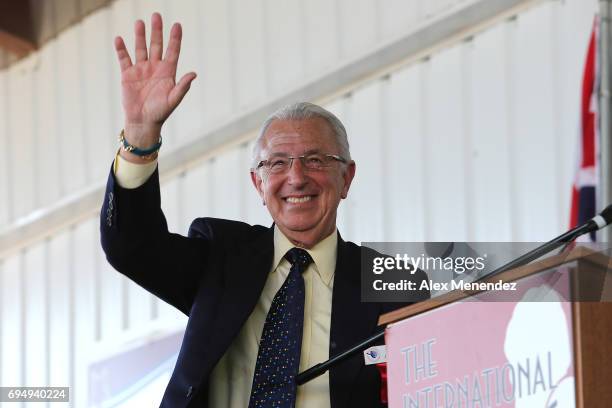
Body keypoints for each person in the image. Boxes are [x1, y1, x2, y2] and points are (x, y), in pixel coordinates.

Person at [100, 13, 428, 408]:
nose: (296, 178)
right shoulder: (221, 260)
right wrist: (139, 137)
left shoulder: (393, 283)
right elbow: (131, 246)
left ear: (347, 178)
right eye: (277, 163)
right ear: (258, 183)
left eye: (316, 160)